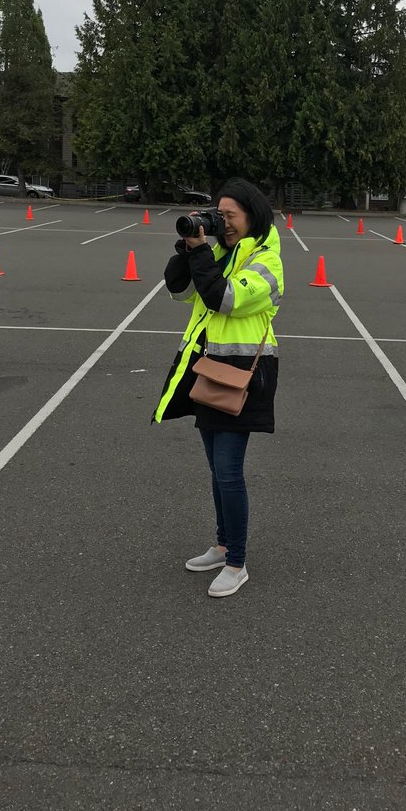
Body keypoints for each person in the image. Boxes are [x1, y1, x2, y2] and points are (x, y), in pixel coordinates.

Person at [153, 178, 283, 598]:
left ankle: (237, 562)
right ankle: (223, 543)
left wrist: (205, 253)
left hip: (245, 373)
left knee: (228, 472)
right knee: (216, 469)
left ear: (252, 216)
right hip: (209, 368)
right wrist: (187, 246)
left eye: (229, 216)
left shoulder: (267, 260)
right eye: (218, 214)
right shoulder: (222, 252)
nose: (222, 223)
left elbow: (223, 298)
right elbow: (182, 290)